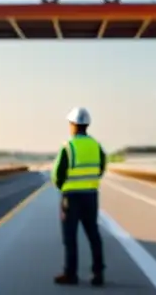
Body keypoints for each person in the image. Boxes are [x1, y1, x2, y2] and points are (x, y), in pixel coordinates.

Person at [51, 107, 106, 287]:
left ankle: (71, 274)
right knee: (93, 234)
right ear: (87, 125)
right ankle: (98, 274)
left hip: (71, 197)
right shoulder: (96, 146)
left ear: (73, 125)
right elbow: (102, 167)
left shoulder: (68, 146)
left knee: (70, 237)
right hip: (91, 196)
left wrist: (63, 188)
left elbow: (57, 174)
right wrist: (90, 183)